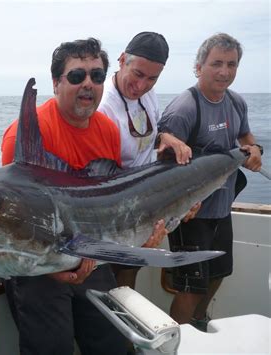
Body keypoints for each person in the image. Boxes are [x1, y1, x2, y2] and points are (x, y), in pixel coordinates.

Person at [1, 38, 166, 355]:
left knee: (114, 343)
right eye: (77, 76)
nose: (88, 84)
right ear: (56, 82)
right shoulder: (23, 134)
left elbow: (111, 205)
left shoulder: (107, 129)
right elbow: (11, 223)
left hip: (91, 255)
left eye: (97, 76)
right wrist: (51, 267)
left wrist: (141, 237)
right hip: (39, 265)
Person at [158, 33, 262, 330]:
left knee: (219, 273)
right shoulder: (184, 108)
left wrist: (254, 150)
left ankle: (199, 327)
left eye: (231, 64)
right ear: (198, 66)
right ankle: (174, 343)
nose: (224, 71)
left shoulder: (236, 102)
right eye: (216, 63)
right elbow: (160, 164)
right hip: (191, 215)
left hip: (222, 207)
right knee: (191, 287)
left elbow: (245, 137)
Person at [98, 31, 194, 289]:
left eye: (152, 78)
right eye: (138, 74)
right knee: (114, 278)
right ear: (121, 60)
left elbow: (150, 136)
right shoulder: (103, 105)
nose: (142, 86)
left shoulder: (148, 95)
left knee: (132, 270)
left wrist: (166, 137)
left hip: (146, 200)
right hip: (114, 207)